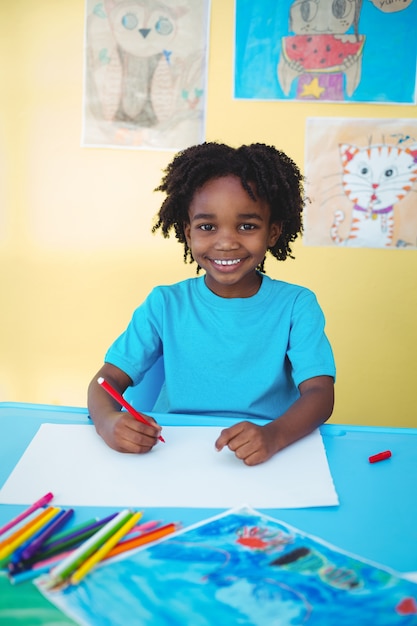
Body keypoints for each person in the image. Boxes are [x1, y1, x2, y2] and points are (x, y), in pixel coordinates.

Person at [88, 142, 335, 466]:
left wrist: (273, 435)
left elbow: (320, 394)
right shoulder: (165, 304)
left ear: (273, 232)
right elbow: (106, 381)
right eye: (207, 227)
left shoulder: (296, 306)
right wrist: (108, 424)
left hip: (268, 449)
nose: (226, 241)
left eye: (247, 226)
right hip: (171, 451)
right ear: (188, 233)